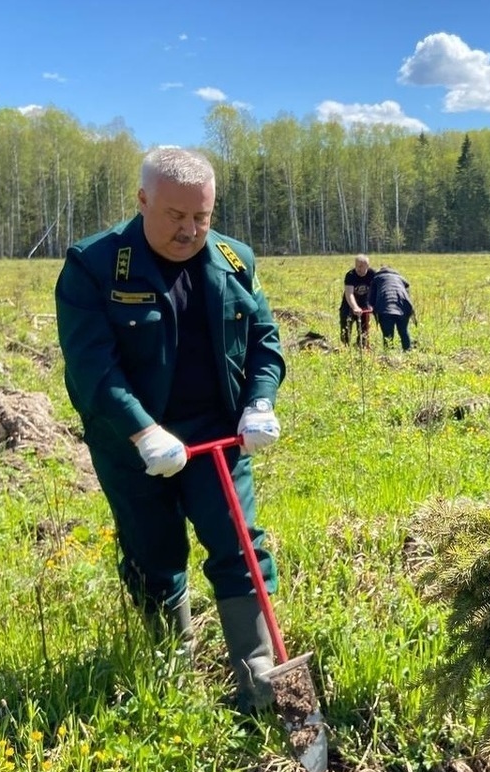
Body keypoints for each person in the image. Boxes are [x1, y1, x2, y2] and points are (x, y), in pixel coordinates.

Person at [55, 146, 287, 715]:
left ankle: (259, 679)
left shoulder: (235, 261)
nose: (190, 231)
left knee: (239, 544)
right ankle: (171, 668)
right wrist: (140, 432)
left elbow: (265, 340)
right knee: (153, 553)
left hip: (216, 437)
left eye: (201, 217)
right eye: (175, 216)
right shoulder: (94, 266)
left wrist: (259, 402)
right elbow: (91, 367)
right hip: (135, 445)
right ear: (142, 201)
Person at [368, 264, 417, 351]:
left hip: (385, 308)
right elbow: (406, 295)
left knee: (388, 335)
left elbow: (371, 298)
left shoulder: (377, 279)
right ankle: (408, 351)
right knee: (404, 332)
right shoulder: (401, 279)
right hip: (403, 307)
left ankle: (388, 356)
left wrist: (372, 309)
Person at [340, 254, 375, 347]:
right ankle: (345, 349)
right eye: (356, 266)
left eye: (361, 266)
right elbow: (349, 293)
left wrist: (373, 305)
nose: (358, 268)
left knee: (364, 333)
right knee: (346, 331)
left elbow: (376, 291)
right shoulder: (350, 275)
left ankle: (361, 348)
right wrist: (355, 307)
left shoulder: (373, 274)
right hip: (349, 307)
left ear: (367, 266)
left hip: (364, 306)